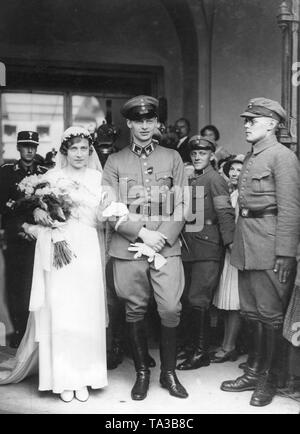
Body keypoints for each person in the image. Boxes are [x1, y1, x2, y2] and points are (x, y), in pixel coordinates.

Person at [0, 126, 108, 403]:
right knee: (61, 308)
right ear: (64, 151)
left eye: (85, 148)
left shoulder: (98, 178)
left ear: (90, 151)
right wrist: (38, 210)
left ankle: (84, 376)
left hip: (86, 245)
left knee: (85, 310)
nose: (80, 154)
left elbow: (102, 218)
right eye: (74, 148)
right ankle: (62, 376)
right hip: (58, 243)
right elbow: (29, 208)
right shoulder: (51, 176)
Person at [102, 95, 188, 400]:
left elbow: (182, 203)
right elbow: (110, 208)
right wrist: (141, 233)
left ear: (156, 123)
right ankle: (142, 373)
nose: (144, 126)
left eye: (149, 120)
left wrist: (161, 237)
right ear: (129, 123)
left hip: (166, 245)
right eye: (138, 121)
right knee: (134, 307)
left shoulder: (173, 158)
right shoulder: (115, 161)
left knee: (170, 308)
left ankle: (168, 373)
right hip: (129, 247)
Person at [221, 98, 300, 407]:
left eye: (252, 120)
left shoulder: (283, 157)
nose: (246, 124)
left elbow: (291, 209)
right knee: (252, 313)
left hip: (270, 246)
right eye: (246, 119)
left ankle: (269, 379)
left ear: (271, 125)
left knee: (269, 316)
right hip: (247, 242)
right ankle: (254, 371)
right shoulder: (255, 156)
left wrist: (285, 253)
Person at [176, 136, 235, 371]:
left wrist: (229, 243)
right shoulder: (193, 178)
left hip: (209, 247)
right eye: (194, 153)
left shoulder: (215, 179)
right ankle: (193, 346)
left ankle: (201, 352)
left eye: (203, 153)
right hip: (189, 246)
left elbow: (225, 213)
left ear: (212, 155)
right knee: (189, 300)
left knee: (198, 300)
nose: (198, 156)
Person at [0, 131, 47, 348]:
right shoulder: (7, 172)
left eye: (33, 146)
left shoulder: (45, 174)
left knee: (36, 287)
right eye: (25, 146)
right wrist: (16, 228)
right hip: (16, 239)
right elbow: (3, 206)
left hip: (39, 239)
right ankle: (18, 337)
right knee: (16, 287)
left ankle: (36, 338)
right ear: (18, 148)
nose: (29, 150)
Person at [212, 155, 245, 363]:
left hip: (236, 252)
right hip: (227, 252)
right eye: (232, 170)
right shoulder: (231, 193)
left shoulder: (242, 196)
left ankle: (229, 346)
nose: (234, 174)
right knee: (226, 301)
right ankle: (227, 342)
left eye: (239, 170)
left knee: (234, 301)